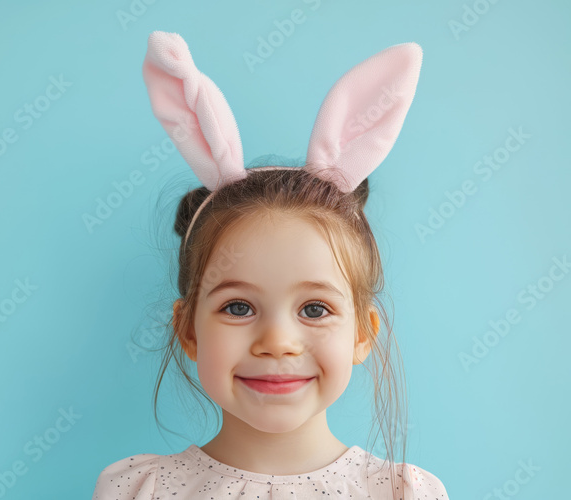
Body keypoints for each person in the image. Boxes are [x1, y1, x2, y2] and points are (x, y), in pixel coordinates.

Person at [91, 31, 449, 499]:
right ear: (189, 331)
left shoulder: (402, 492)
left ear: (363, 331)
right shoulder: (140, 489)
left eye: (315, 309)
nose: (277, 342)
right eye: (238, 307)